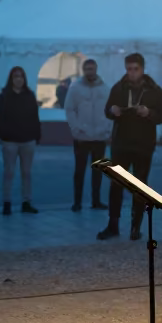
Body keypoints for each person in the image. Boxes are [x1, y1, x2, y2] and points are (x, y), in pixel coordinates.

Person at [97, 53, 162, 241]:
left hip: (144, 145)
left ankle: (135, 227)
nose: (132, 73)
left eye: (135, 69)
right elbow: (107, 110)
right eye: (129, 69)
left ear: (142, 69)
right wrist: (112, 111)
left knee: (140, 185)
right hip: (121, 143)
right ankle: (113, 224)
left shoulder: (154, 90)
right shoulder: (118, 88)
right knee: (116, 184)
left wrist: (149, 112)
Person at [65, 58, 111, 212]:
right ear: (84, 70)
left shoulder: (104, 88)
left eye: (92, 69)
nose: (90, 72)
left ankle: (96, 200)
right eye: (87, 69)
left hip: (99, 136)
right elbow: (69, 109)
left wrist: (107, 128)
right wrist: (76, 128)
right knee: (79, 171)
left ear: (96, 69)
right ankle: (77, 202)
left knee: (97, 171)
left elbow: (110, 109)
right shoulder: (75, 88)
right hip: (82, 137)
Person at [0, 66, 40, 215]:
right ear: (11, 79)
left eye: (21, 77)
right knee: (9, 172)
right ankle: (6, 202)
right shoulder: (4, 96)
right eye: (15, 77)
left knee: (27, 172)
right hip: (10, 141)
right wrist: (3, 135)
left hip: (28, 140)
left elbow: (35, 116)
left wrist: (36, 135)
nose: (18, 79)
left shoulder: (29, 95)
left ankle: (26, 201)